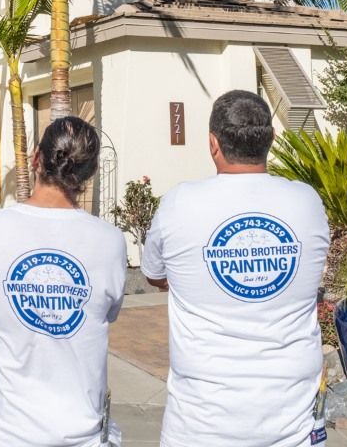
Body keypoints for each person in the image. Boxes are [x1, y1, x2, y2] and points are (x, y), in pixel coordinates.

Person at [142, 90, 331, 447]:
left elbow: (154, 274)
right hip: (292, 422)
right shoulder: (305, 201)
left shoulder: (180, 203)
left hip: (200, 425)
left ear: (214, 143)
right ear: (271, 140)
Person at [0, 115, 128, 447]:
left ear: (36, 159)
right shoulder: (110, 241)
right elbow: (106, 312)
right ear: (88, 174)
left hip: (3, 435)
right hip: (83, 434)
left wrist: (2, 308)